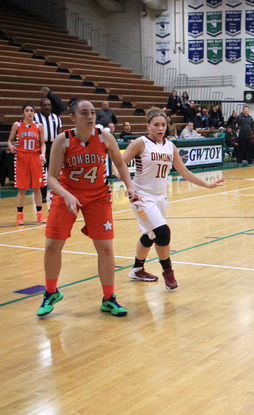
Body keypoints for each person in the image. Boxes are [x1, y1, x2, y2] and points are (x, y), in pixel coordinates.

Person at [37, 99, 138, 317]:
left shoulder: (104, 137)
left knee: (106, 248)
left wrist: (130, 186)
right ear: (72, 117)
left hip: (99, 196)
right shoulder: (62, 140)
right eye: (84, 113)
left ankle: (109, 298)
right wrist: (67, 195)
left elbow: (120, 164)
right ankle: (51, 292)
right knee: (52, 244)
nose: (91, 116)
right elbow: (51, 178)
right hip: (67, 195)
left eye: (93, 112)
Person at [119, 108, 224, 290]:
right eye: (156, 125)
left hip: (161, 197)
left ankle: (137, 269)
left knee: (150, 235)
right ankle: (168, 272)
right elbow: (118, 165)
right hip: (141, 196)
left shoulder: (170, 146)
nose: (160, 128)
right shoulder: (140, 143)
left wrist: (207, 185)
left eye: (163, 125)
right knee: (163, 232)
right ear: (148, 126)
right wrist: (128, 185)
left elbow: (184, 172)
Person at [7, 103, 47, 225]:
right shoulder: (17, 124)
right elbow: (9, 140)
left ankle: (40, 214)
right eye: (27, 110)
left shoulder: (39, 126)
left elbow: (43, 143)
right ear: (23, 113)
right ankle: (20, 215)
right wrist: (10, 146)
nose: (29, 112)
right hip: (21, 158)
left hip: (35, 157)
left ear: (34, 113)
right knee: (22, 188)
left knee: (37, 187)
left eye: (31, 110)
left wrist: (43, 154)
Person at [34, 97, 63, 204]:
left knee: (55, 170)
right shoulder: (35, 118)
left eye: (49, 105)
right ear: (41, 106)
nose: (47, 107)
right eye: (45, 105)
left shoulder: (56, 118)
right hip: (40, 146)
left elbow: (60, 134)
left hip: (53, 146)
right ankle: (42, 195)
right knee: (41, 172)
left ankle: (58, 192)